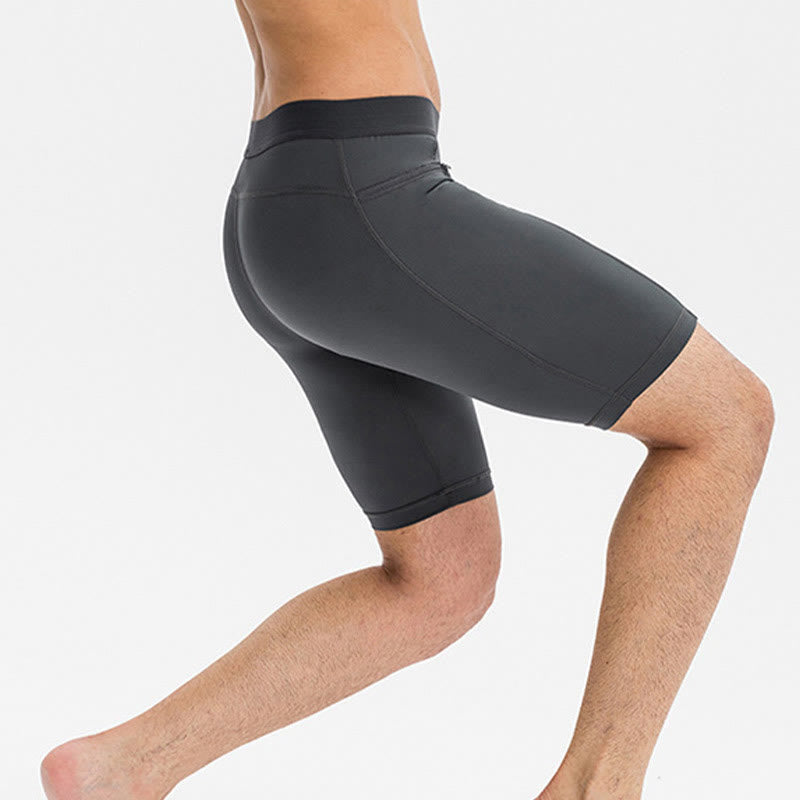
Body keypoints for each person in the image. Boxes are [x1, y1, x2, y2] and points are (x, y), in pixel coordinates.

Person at [40, 2, 775, 799]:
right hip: (363, 194)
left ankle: (121, 770)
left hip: (313, 195)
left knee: (443, 578)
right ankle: (598, 789)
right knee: (724, 418)